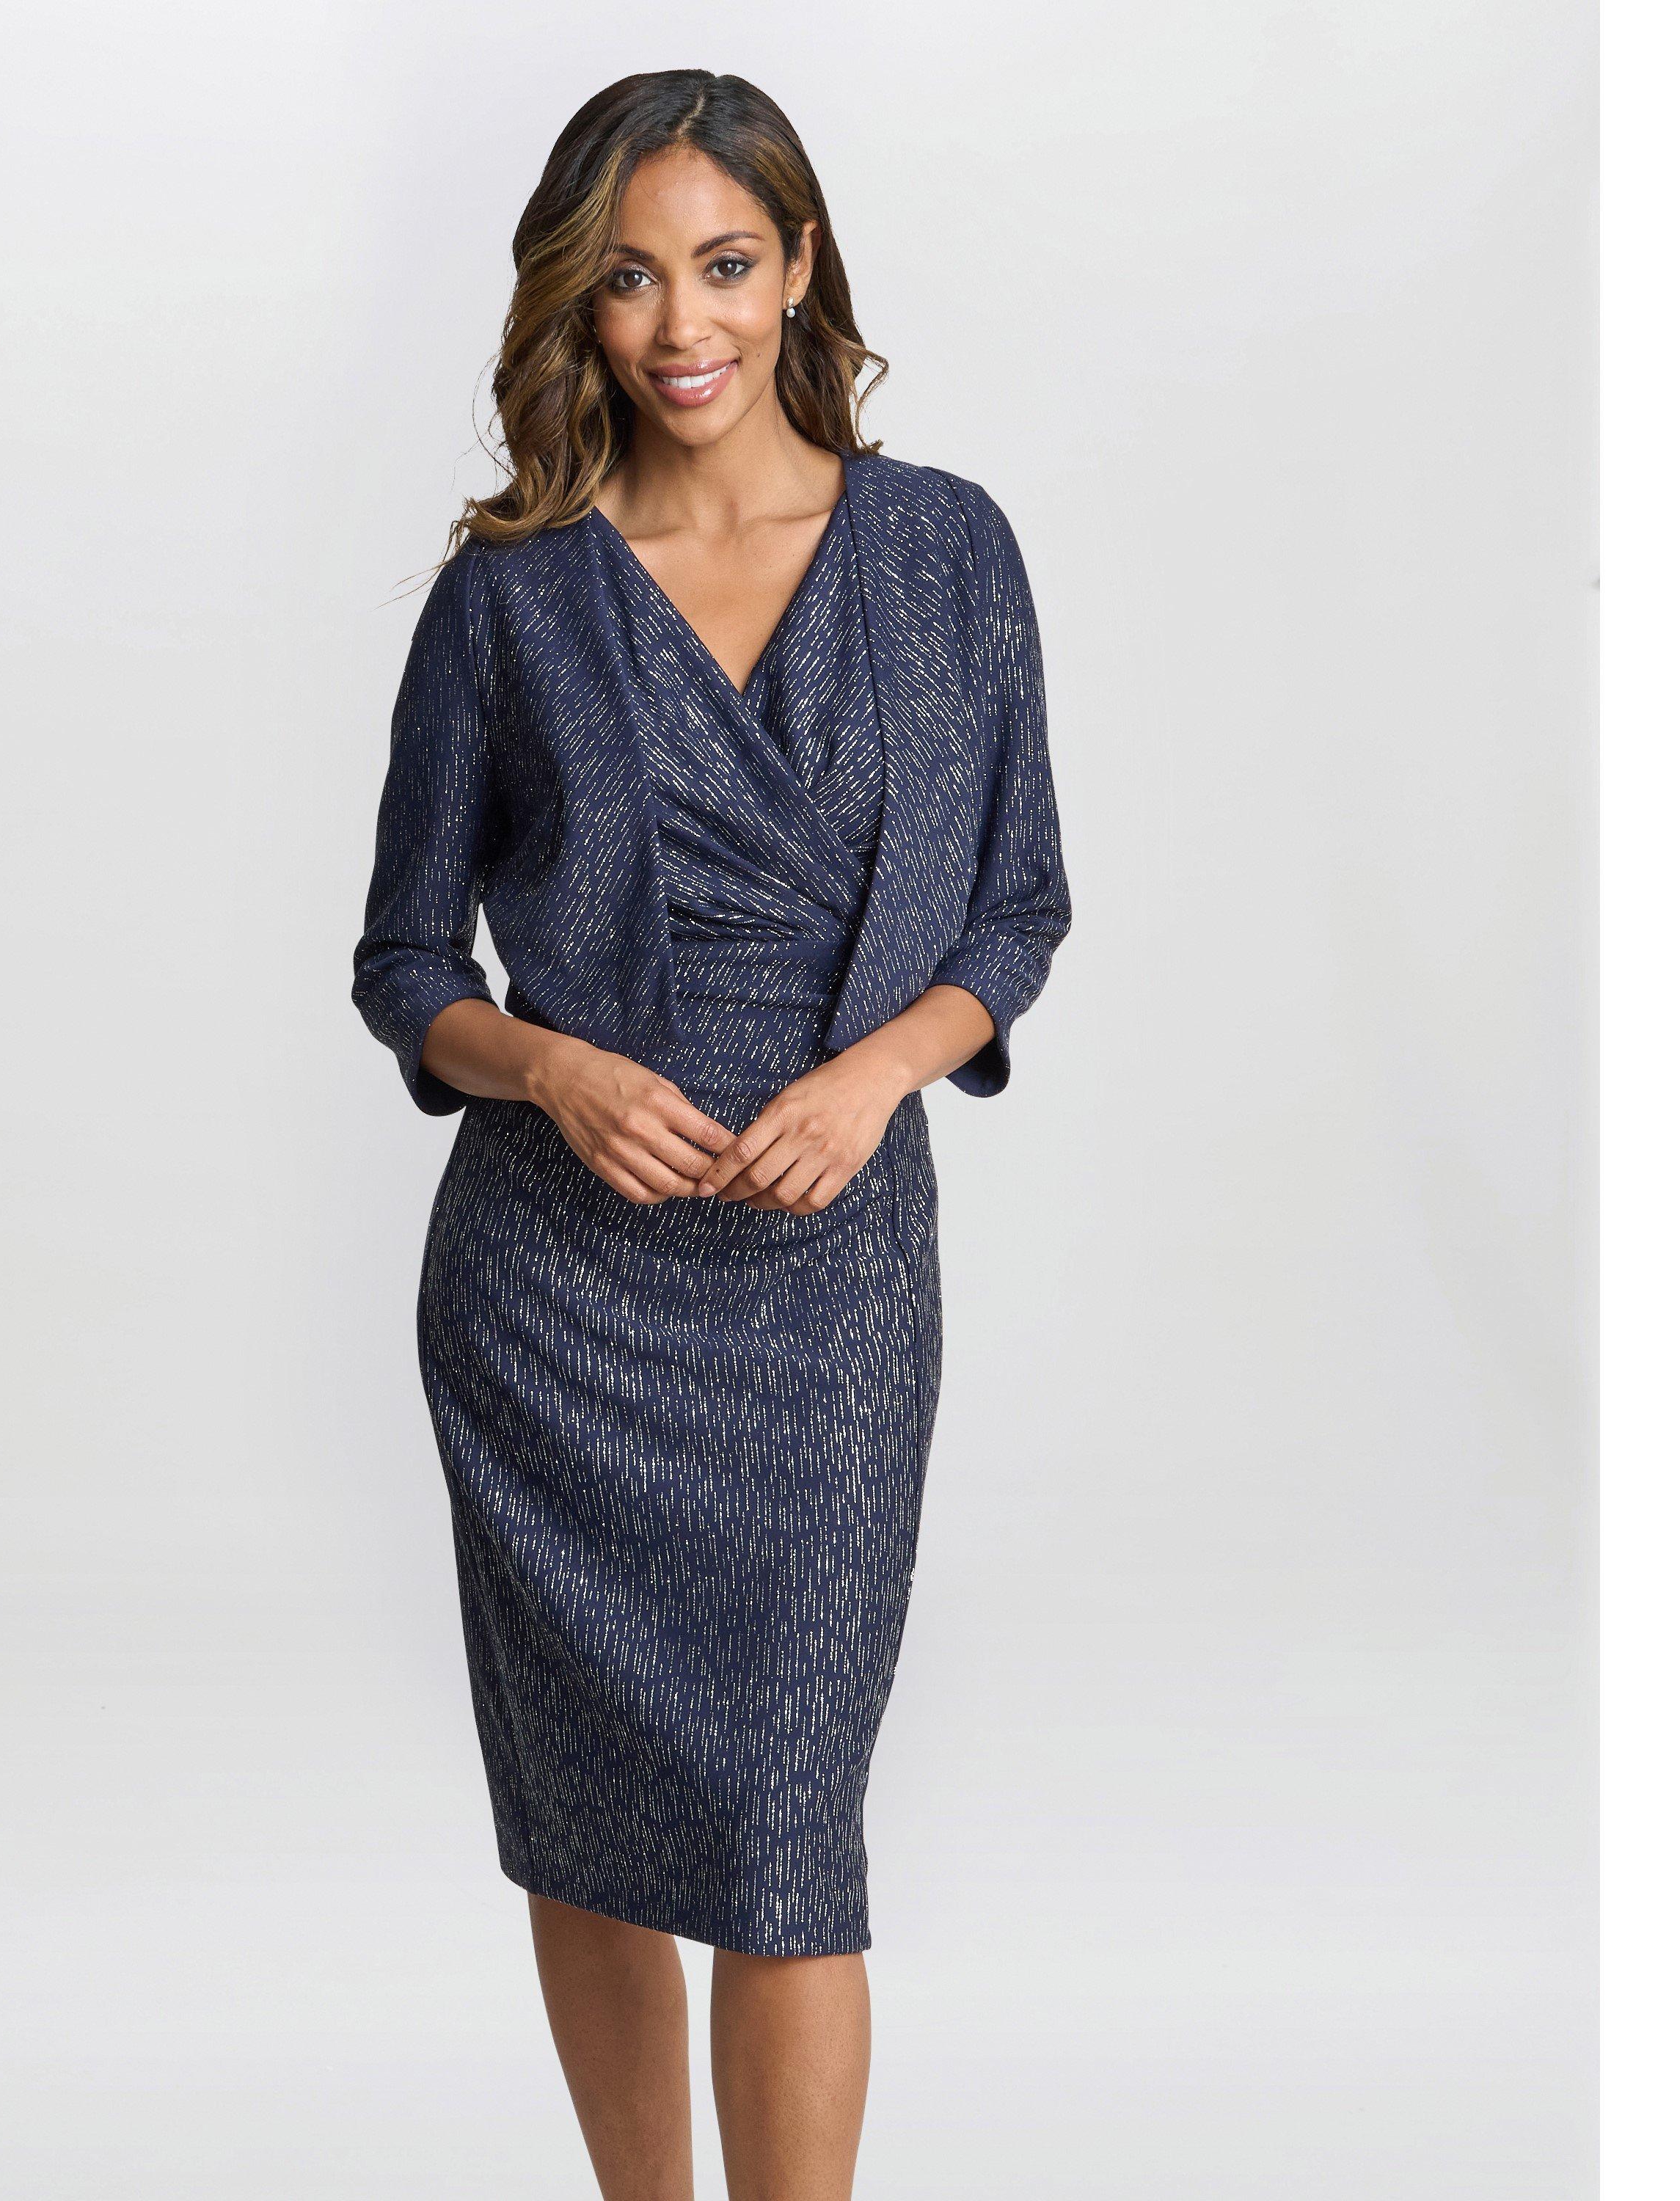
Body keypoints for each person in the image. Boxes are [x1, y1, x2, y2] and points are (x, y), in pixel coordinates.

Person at [352, 67, 1072, 2201]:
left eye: (727, 264)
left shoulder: (945, 553)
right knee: (587, 1830)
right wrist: (549, 1067)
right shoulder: (511, 598)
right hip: (555, 1303)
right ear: (575, 307)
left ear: (801, 267)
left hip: (830, 1284)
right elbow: (405, 959)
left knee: (783, 1835)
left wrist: (877, 1073)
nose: (683, 323)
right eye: (631, 278)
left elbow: (1018, 909)